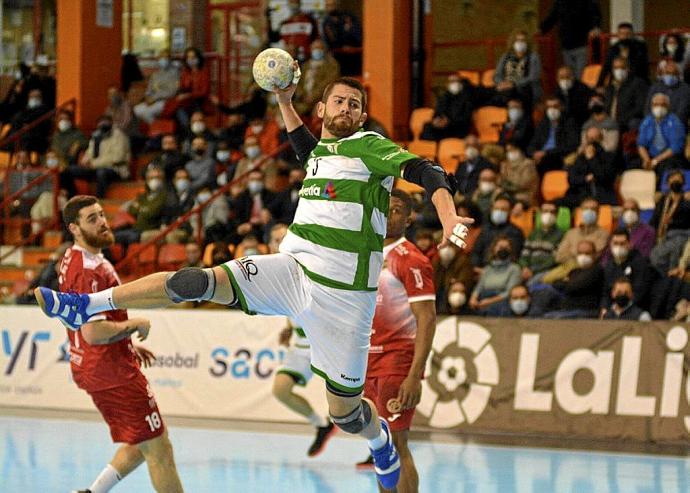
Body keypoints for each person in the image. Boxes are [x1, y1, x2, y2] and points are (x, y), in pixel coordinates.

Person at [35, 74, 472, 491]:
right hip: (293, 269)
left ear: (360, 117)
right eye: (338, 101)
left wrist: (447, 213)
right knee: (197, 281)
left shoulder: (369, 146)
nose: (346, 108)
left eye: (354, 105)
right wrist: (283, 101)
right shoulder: (320, 151)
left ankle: (378, 442)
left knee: (345, 414)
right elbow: (306, 147)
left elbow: (426, 172)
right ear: (321, 109)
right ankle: (85, 305)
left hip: (344, 300)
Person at [55, 195, 183, 493]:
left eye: (101, 215)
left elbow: (86, 323)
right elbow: (93, 333)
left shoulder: (78, 258)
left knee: (143, 440)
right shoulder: (88, 270)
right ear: (74, 228)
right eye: (92, 219)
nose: (102, 222)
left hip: (100, 364)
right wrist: (132, 325)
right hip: (111, 371)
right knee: (159, 451)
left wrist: (124, 342)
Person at [356, 190, 437, 493]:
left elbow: (427, 318)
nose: (389, 214)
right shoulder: (367, 255)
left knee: (398, 442)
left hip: (397, 363)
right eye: (384, 208)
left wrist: (414, 375)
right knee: (381, 446)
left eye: (397, 210)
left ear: (409, 217)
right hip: (367, 363)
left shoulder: (411, 260)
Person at [268, 224, 336, 457]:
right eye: (275, 240)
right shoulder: (276, 271)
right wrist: (289, 327)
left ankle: (375, 444)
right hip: (301, 346)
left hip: (327, 343)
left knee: (348, 401)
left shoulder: (312, 263)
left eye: (283, 238)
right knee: (280, 390)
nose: (280, 243)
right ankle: (321, 424)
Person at [62, 114, 131, 198]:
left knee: (101, 173)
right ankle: (72, 196)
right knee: (69, 170)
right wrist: (85, 161)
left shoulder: (119, 136)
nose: (102, 124)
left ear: (111, 122)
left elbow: (118, 157)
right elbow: (89, 152)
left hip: (116, 169)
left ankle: (99, 200)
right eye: (100, 122)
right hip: (94, 167)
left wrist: (94, 163)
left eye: (105, 122)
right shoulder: (96, 136)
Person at [539, 0, 601, 78]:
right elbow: (552, 16)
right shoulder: (560, 2)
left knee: (581, 75)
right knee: (570, 75)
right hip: (566, 45)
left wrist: (595, 27)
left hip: (582, 43)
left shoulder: (588, 2)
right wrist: (542, 29)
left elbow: (595, 13)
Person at [543, 239, 604, 319]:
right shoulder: (574, 271)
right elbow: (556, 283)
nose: (583, 256)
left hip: (586, 310)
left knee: (552, 318)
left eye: (587, 253)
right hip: (568, 309)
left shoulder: (597, 270)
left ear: (595, 254)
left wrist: (567, 283)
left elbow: (573, 287)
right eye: (580, 253)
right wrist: (567, 283)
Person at [560, 126, 618, 207]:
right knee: (556, 203)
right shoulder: (579, 158)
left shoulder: (609, 157)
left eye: (595, 138)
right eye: (590, 139)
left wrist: (592, 159)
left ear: (601, 139)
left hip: (601, 195)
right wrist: (585, 179)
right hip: (579, 194)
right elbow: (571, 179)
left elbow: (606, 178)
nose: (592, 142)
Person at [600, 228, 653, 313]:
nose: (619, 247)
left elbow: (640, 292)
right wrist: (604, 308)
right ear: (610, 245)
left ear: (629, 244)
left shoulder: (640, 263)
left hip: (635, 309)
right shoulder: (609, 265)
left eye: (622, 243)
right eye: (615, 243)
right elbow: (606, 292)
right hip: (613, 310)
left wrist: (623, 308)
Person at [637, 93, 687, 179]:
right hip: (650, 156)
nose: (659, 107)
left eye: (663, 105)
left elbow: (675, 148)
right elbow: (641, 144)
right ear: (652, 106)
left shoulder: (675, 122)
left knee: (668, 166)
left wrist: (655, 161)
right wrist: (647, 159)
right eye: (656, 104)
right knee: (634, 164)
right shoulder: (647, 121)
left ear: (668, 106)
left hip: (668, 157)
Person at [469, 235, 521, 316]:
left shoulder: (514, 269)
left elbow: (509, 292)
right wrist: (473, 298)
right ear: (494, 249)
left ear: (511, 250)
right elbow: (479, 287)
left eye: (506, 247)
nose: (503, 249)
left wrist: (489, 301)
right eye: (500, 247)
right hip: (483, 298)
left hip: (501, 301)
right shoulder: (488, 269)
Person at [649, 170, 690, 273]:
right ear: (667, 183)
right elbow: (655, 219)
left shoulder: (686, 201)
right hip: (663, 236)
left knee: (674, 250)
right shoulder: (663, 200)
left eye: (679, 179)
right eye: (673, 179)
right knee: (655, 256)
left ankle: (673, 277)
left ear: (683, 183)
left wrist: (671, 221)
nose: (676, 181)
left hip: (682, 234)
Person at [527, 97, 580, 174]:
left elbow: (572, 145)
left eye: (555, 106)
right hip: (541, 156)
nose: (552, 110)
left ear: (561, 107)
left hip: (557, 156)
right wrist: (533, 153)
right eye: (549, 107)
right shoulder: (543, 123)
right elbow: (533, 143)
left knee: (545, 162)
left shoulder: (569, 123)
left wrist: (546, 153)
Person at [471, 194, 525, 267]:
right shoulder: (486, 229)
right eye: (496, 208)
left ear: (509, 212)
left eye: (503, 209)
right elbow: (476, 252)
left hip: (501, 270)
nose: (499, 212)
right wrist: (476, 267)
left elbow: (513, 256)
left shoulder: (515, 232)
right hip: (481, 271)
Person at [493, 30, 542, 109]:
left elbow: (533, 77)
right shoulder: (505, 56)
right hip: (506, 89)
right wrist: (502, 83)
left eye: (523, 40)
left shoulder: (533, 57)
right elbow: (497, 75)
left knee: (515, 91)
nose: (520, 43)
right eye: (517, 40)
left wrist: (513, 84)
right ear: (513, 42)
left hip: (524, 89)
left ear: (528, 43)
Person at [293, 38, 341, 116]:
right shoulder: (305, 65)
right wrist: (302, 95)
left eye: (320, 48)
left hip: (320, 100)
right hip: (303, 100)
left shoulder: (332, 65)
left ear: (324, 50)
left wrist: (313, 97)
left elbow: (328, 83)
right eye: (315, 48)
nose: (317, 51)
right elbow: (298, 82)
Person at [519, 202, 564, 283]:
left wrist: (533, 270)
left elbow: (553, 259)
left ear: (557, 215)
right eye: (545, 211)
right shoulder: (533, 233)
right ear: (540, 213)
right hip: (527, 270)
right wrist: (525, 267)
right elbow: (525, 253)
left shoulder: (561, 235)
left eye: (552, 212)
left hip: (546, 270)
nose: (548, 215)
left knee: (531, 284)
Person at [555, 197, 610, 263]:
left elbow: (594, 257)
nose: (589, 211)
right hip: (568, 268)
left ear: (598, 213)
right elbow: (560, 256)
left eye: (593, 209)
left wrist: (572, 253)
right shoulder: (571, 233)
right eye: (586, 209)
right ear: (581, 212)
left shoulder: (604, 234)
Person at [421, 73, 474, 140]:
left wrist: (449, 122)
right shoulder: (443, 97)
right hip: (443, 127)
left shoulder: (466, 98)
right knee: (427, 127)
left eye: (456, 81)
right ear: (448, 84)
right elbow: (437, 113)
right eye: (452, 82)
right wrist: (436, 121)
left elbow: (466, 118)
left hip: (457, 127)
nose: (454, 84)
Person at [133, 50, 180, 124]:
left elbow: (172, 92)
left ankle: (158, 129)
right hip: (152, 100)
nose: (163, 60)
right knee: (136, 110)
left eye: (166, 57)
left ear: (169, 59)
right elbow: (149, 89)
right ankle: (155, 126)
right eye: (161, 57)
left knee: (146, 113)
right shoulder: (155, 74)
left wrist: (155, 98)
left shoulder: (174, 74)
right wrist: (147, 97)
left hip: (165, 101)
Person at [602, 57, 648, 133]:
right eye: (616, 68)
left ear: (628, 69)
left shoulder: (637, 83)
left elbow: (640, 107)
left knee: (634, 123)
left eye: (622, 67)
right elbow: (606, 106)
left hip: (628, 120)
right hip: (611, 120)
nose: (619, 71)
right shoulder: (610, 87)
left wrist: (621, 120)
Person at [645, 61, 690, 126]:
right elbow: (647, 108)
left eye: (674, 74)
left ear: (678, 75)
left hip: (675, 125)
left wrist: (666, 124)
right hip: (654, 123)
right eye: (667, 73)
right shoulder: (655, 87)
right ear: (663, 74)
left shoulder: (686, 89)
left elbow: (682, 113)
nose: (670, 76)